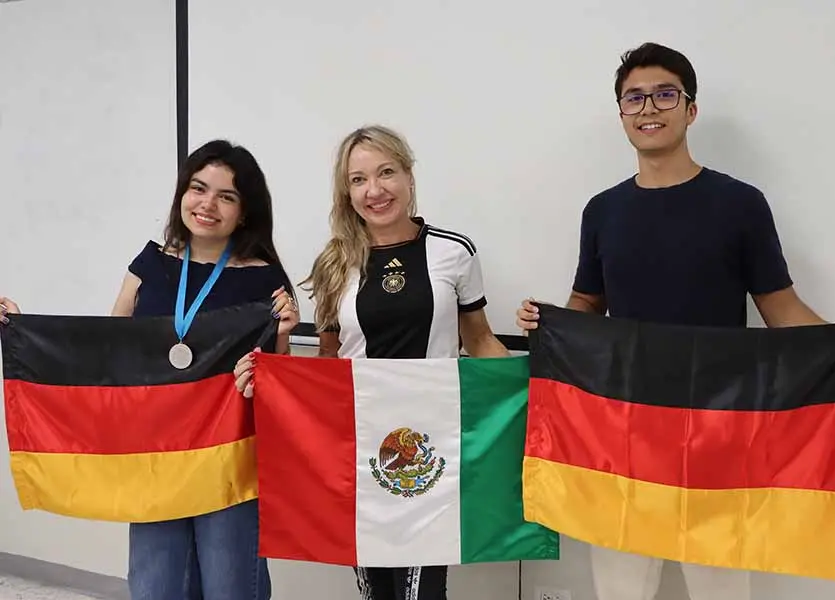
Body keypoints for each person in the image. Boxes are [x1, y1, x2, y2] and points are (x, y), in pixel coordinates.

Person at [515, 42, 835, 600]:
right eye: (633, 98)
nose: (648, 108)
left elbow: (780, 306)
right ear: (620, 114)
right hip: (624, 428)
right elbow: (587, 305)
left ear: (690, 109)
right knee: (622, 585)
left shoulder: (740, 204)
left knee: (720, 586)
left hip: (719, 428)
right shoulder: (602, 211)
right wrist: (548, 326)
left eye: (664, 94)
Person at [2, 139, 299, 600]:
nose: (208, 204)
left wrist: (281, 337)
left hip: (229, 464)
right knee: (155, 587)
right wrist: (22, 329)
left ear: (245, 211)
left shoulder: (266, 281)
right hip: (154, 456)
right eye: (199, 188)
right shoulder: (149, 265)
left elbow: (279, 384)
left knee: (231, 587)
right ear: (182, 192)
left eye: (227, 196)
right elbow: (107, 353)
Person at [234, 124, 509, 600]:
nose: (375, 190)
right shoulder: (335, 263)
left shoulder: (453, 252)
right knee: (375, 586)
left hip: (431, 445)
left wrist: (538, 388)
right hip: (358, 446)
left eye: (386, 173)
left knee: (423, 588)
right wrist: (277, 376)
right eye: (359, 179)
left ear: (408, 175)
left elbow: (481, 341)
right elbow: (327, 360)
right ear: (347, 191)